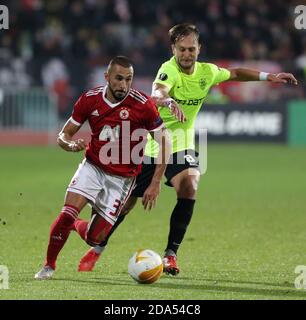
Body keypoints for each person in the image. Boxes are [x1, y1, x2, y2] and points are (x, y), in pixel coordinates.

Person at [77, 24, 298, 276]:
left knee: (190, 185)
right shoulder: (167, 70)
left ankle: (171, 254)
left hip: (182, 144)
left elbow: (235, 73)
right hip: (149, 145)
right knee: (126, 205)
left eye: (191, 49)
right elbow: (157, 93)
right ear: (173, 49)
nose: (186, 54)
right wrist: (168, 99)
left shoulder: (207, 72)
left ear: (199, 48)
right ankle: (98, 248)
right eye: (181, 49)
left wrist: (268, 77)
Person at [34, 56, 171, 280]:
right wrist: (69, 145)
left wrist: (155, 182)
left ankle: (75, 225)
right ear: (106, 77)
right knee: (66, 214)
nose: (124, 85)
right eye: (119, 78)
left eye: (129, 79)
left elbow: (165, 141)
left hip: (123, 179)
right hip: (93, 167)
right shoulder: (89, 100)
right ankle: (49, 265)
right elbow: (64, 134)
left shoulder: (142, 105)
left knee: (94, 238)